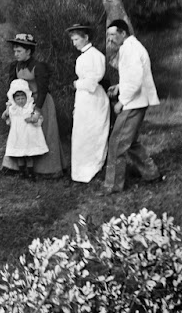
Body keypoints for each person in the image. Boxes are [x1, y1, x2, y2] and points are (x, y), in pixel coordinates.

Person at [102, 19, 162, 195]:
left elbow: (135, 81)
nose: (110, 39)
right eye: (108, 35)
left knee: (116, 143)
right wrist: (120, 86)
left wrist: (122, 102)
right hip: (137, 101)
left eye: (113, 34)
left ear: (123, 33)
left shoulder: (129, 49)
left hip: (133, 103)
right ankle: (151, 174)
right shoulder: (131, 46)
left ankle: (113, 186)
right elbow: (133, 77)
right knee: (131, 142)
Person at [2, 33, 67, 178]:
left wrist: (37, 110)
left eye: (19, 51)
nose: (16, 54)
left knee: (43, 132)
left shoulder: (38, 67)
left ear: (29, 51)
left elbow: (43, 90)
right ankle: (14, 166)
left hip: (40, 101)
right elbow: (12, 89)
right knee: (20, 133)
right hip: (22, 103)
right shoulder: (15, 66)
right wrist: (9, 106)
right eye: (15, 51)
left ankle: (47, 169)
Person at [66, 24, 110, 183]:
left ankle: (94, 168)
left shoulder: (95, 56)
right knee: (81, 134)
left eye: (77, 39)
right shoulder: (82, 57)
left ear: (86, 37)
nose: (74, 43)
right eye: (73, 40)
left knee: (93, 132)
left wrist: (77, 84)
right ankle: (81, 171)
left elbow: (92, 82)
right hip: (84, 99)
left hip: (94, 99)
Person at [1, 79, 48, 179]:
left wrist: (32, 119)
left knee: (29, 155)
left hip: (29, 136)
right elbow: (5, 118)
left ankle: (30, 172)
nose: (21, 101)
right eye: (18, 99)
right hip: (18, 136)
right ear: (13, 99)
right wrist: (7, 111)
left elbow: (38, 118)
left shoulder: (30, 107)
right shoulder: (13, 109)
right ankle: (22, 172)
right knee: (20, 155)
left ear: (27, 97)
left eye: (23, 98)